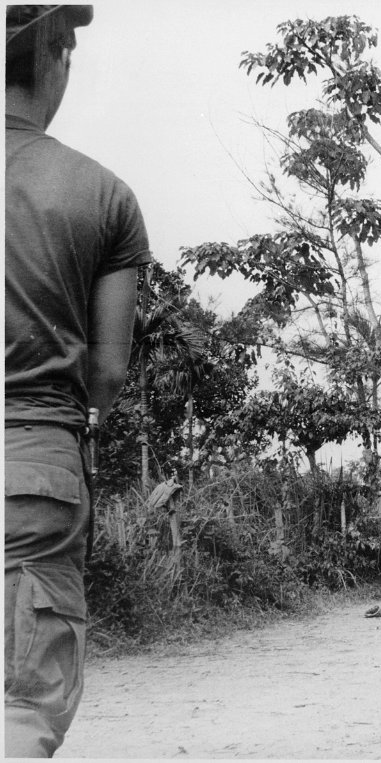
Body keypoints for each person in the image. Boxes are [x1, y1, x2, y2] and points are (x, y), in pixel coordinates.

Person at [6, 6, 151, 756]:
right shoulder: (103, 195)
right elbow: (108, 371)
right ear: (57, 54)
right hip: (34, 466)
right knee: (19, 708)